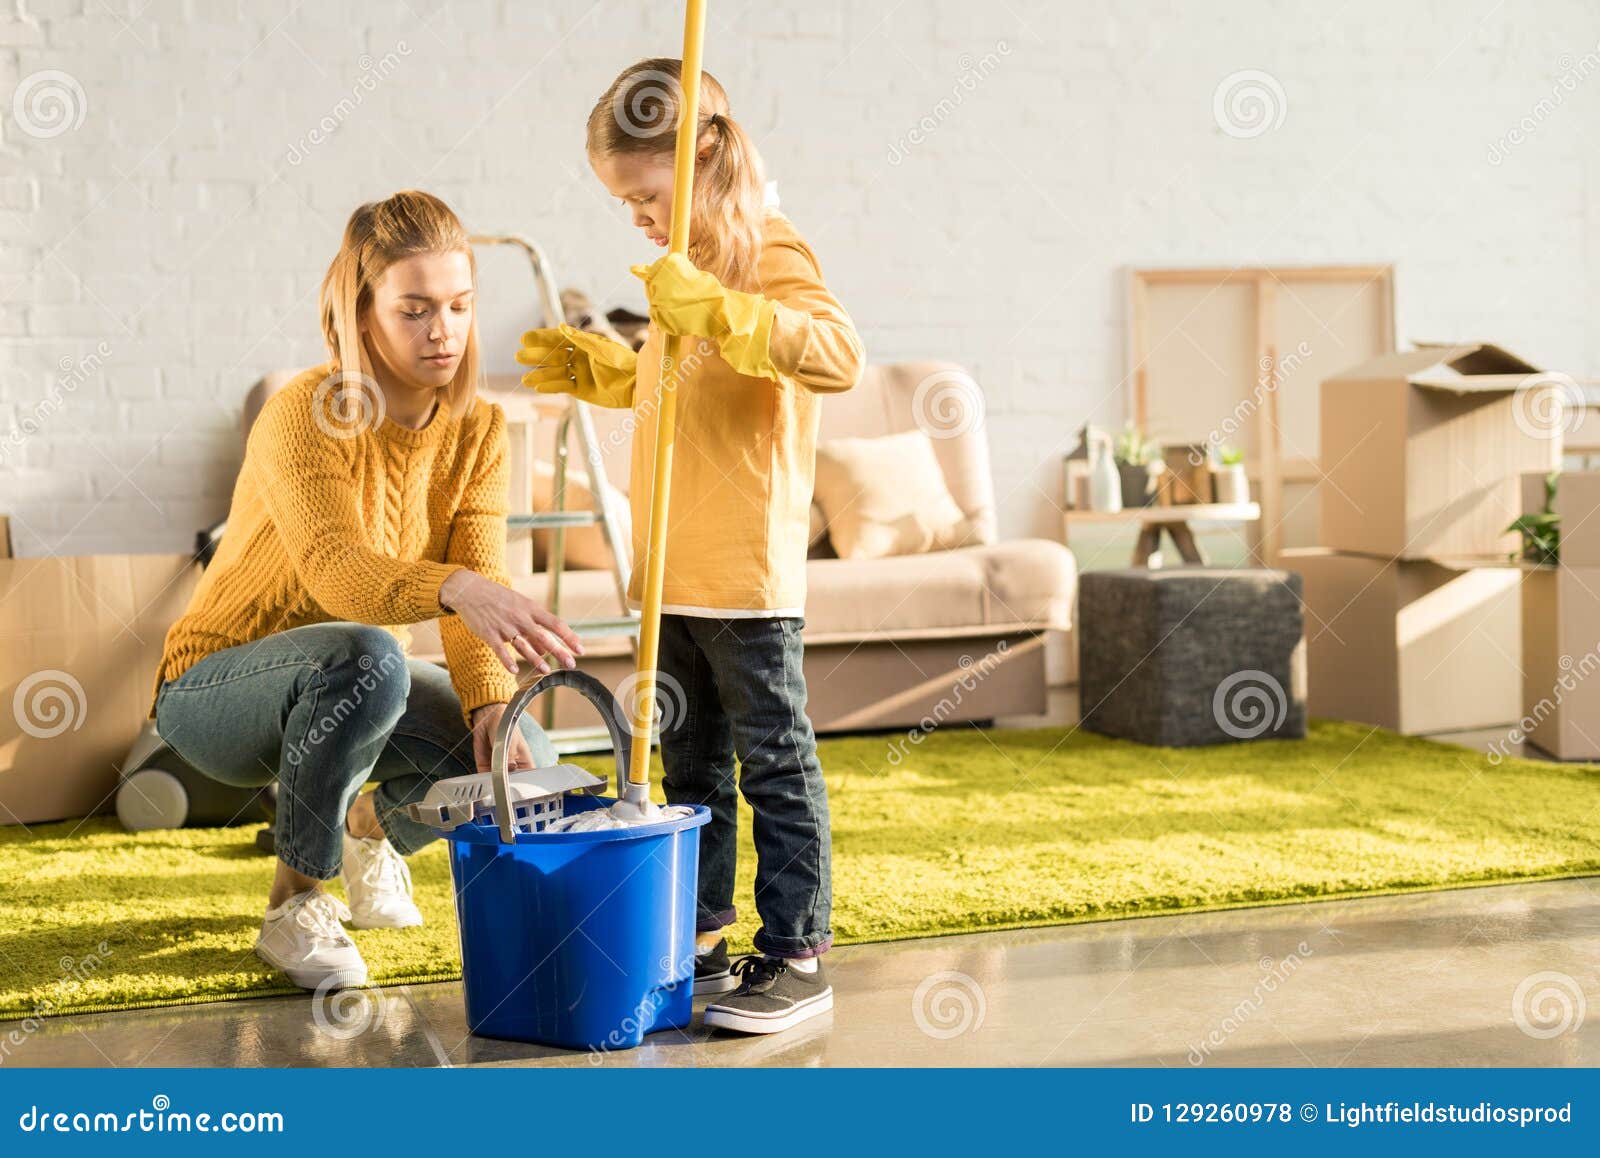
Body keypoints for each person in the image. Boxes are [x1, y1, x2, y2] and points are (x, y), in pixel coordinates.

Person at [152, 190, 584, 991]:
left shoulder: (481, 430)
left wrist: (492, 700)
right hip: (219, 687)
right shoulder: (302, 414)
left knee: (527, 767)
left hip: (356, 683)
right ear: (362, 311)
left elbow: (478, 578)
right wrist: (456, 587)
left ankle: (365, 824)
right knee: (366, 654)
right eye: (414, 309)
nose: (442, 330)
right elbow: (336, 570)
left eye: (458, 306)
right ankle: (295, 903)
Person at [518, 59, 864, 1035]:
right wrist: (614, 373)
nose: (633, 215)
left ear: (701, 149)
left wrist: (720, 310)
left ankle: (796, 953)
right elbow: (686, 394)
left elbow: (835, 354)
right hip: (673, 568)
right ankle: (702, 936)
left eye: (643, 192)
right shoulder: (679, 275)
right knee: (690, 767)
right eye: (621, 201)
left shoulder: (762, 251)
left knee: (775, 765)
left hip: (747, 573)